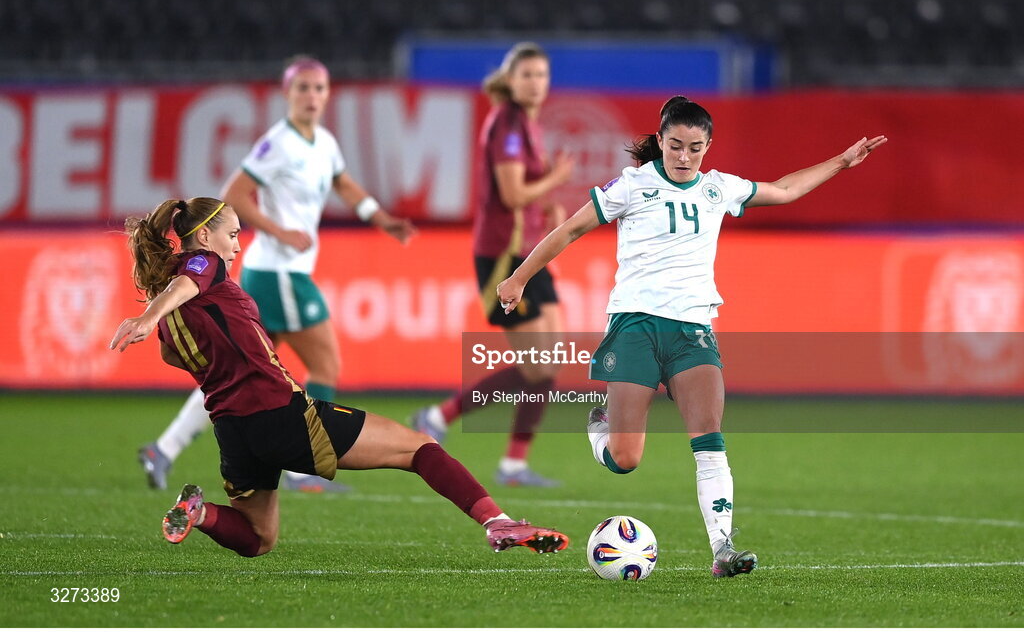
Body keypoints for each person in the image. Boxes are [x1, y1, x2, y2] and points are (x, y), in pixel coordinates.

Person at [497, 96, 886, 577]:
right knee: (625, 459)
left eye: (695, 149)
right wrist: (518, 278)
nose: (684, 157)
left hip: (692, 332)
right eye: (675, 146)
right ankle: (600, 430)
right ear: (659, 141)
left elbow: (784, 190)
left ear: (708, 147)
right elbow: (570, 229)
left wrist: (843, 162)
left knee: (710, 440)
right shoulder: (632, 186)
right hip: (635, 326)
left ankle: (723, 551)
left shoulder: (719, 189)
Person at [111, 198, 569, 558]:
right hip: (281, 415)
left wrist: (164, 320)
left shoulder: (176, 315)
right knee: (419, 447)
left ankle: (201, 512)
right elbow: (191, 278)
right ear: (204, 236)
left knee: (258, 539)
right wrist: (149, 317)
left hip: (233, 431)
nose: (236, 244)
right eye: (232, 234)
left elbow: (177, 351)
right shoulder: (202, 267)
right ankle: (498, 521)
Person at [138, 55, 415, 493]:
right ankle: (304, 470)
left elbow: (342, 183)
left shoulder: (323, 142)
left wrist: (381, 218)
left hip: (278, 274)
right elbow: (232, 194)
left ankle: (165, 448)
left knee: (236, 367)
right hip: (279, 272)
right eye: (302, 88)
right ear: (288, 94)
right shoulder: (278, 143)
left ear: (327, 95)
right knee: (326, 361)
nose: (311, 96)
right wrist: (279, 230)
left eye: (319, 88)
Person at [412, 42, 574, 487]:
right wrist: (558, 179)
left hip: (530, 250)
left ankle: (512, 464)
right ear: (510, 80)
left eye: (542, 75)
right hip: (503, 255)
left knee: (547, 362)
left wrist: (551, 211)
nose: (536, 83)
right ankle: (440, 416)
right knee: (535, 363)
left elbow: (529, 196)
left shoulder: (526, 124)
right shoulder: (506, 123)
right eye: (527, 75)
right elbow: (513, 196)